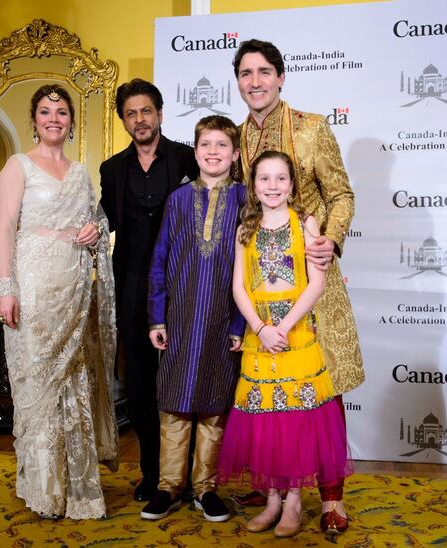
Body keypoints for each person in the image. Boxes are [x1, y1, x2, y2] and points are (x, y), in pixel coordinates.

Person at [230, 38, 364, 534]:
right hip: (265, 285)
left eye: (265, 71)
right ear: (239, 82)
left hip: (315, 281)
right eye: (246, 73)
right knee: (271, 391)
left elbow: (341, 194)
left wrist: (330, 239)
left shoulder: (312, 128)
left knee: (322, 391)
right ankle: (277, 486)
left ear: (282, 77)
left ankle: (332, 498)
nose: (256, 81)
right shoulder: (236, 137)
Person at [0, 85, 118, 520]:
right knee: (39, 388)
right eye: (45, 112)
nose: (53, 118)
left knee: (72, 386)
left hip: (74, 292)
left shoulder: (82, 173)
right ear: (34, 120)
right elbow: (5, 229)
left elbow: (95, 225)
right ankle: (44, 490)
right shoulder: (18, 166)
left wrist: (94, 233)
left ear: (70, 121)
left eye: (61, 112)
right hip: (33, 289)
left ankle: (78, 490)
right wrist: (4, 288)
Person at [217, 151, 353, 538]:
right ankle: (272, 499)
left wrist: (285, 325)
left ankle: (293, 501)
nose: (273, 186)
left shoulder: (305, 222)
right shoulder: (247, 227)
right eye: (264, 179)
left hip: (296, 335)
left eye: (280, 179)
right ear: (253, 186)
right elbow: (238, 287)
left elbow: (317, 283)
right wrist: (260, 328)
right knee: (266, 419)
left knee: (295, 419)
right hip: (260, 337)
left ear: (293, 184)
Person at [99, 79, 200, 502]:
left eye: (146, 111)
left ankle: (190, 476)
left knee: (181, 378)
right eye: (130, 113)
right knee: (140, 383)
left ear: (159, 113)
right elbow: (103, 223)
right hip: (133, 285)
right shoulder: (112, 169)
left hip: (183, 284)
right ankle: (152, 473)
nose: (139, 119)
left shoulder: (187, 158)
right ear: (123, 121)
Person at [140, 116, 245, 522]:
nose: (213, 151)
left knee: (214, 404)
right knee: (174, 402)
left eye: (222, 145)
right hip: (180, 319)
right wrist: (156, 318)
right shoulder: (178, 200)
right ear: (195, 150)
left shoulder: (245, 200)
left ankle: (205, 488)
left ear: (235, 155)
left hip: (223, 318)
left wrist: (239, 325)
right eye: (206, 144)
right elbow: (159, 261)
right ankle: (169, 487)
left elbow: (250, 269)